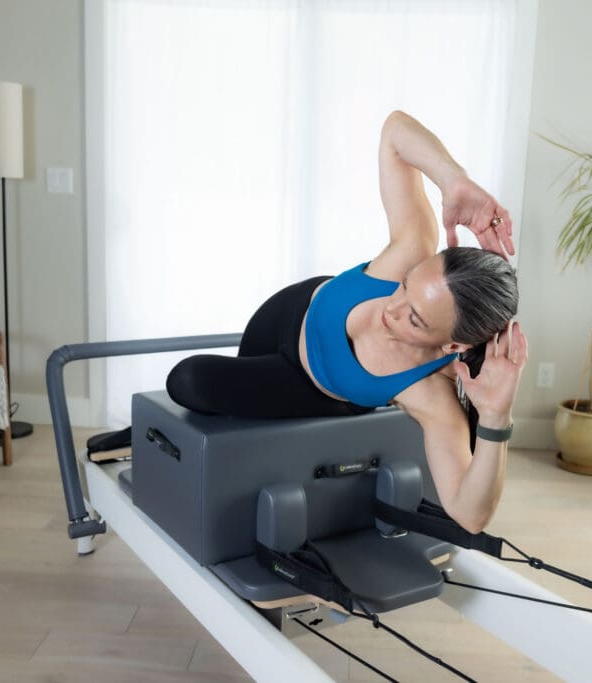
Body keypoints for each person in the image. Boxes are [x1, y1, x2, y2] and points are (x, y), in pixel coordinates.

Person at [167, 111, 525, 533]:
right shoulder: (412, 247)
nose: (391, 308)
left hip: (298, 383)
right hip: (283, 314)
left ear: (453, 346)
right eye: (405, 284)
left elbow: (470, 515)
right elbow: (394, 131)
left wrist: (496, 417)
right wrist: (454, 180)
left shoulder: (430, 394)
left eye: (413, 318)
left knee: (187, 380)